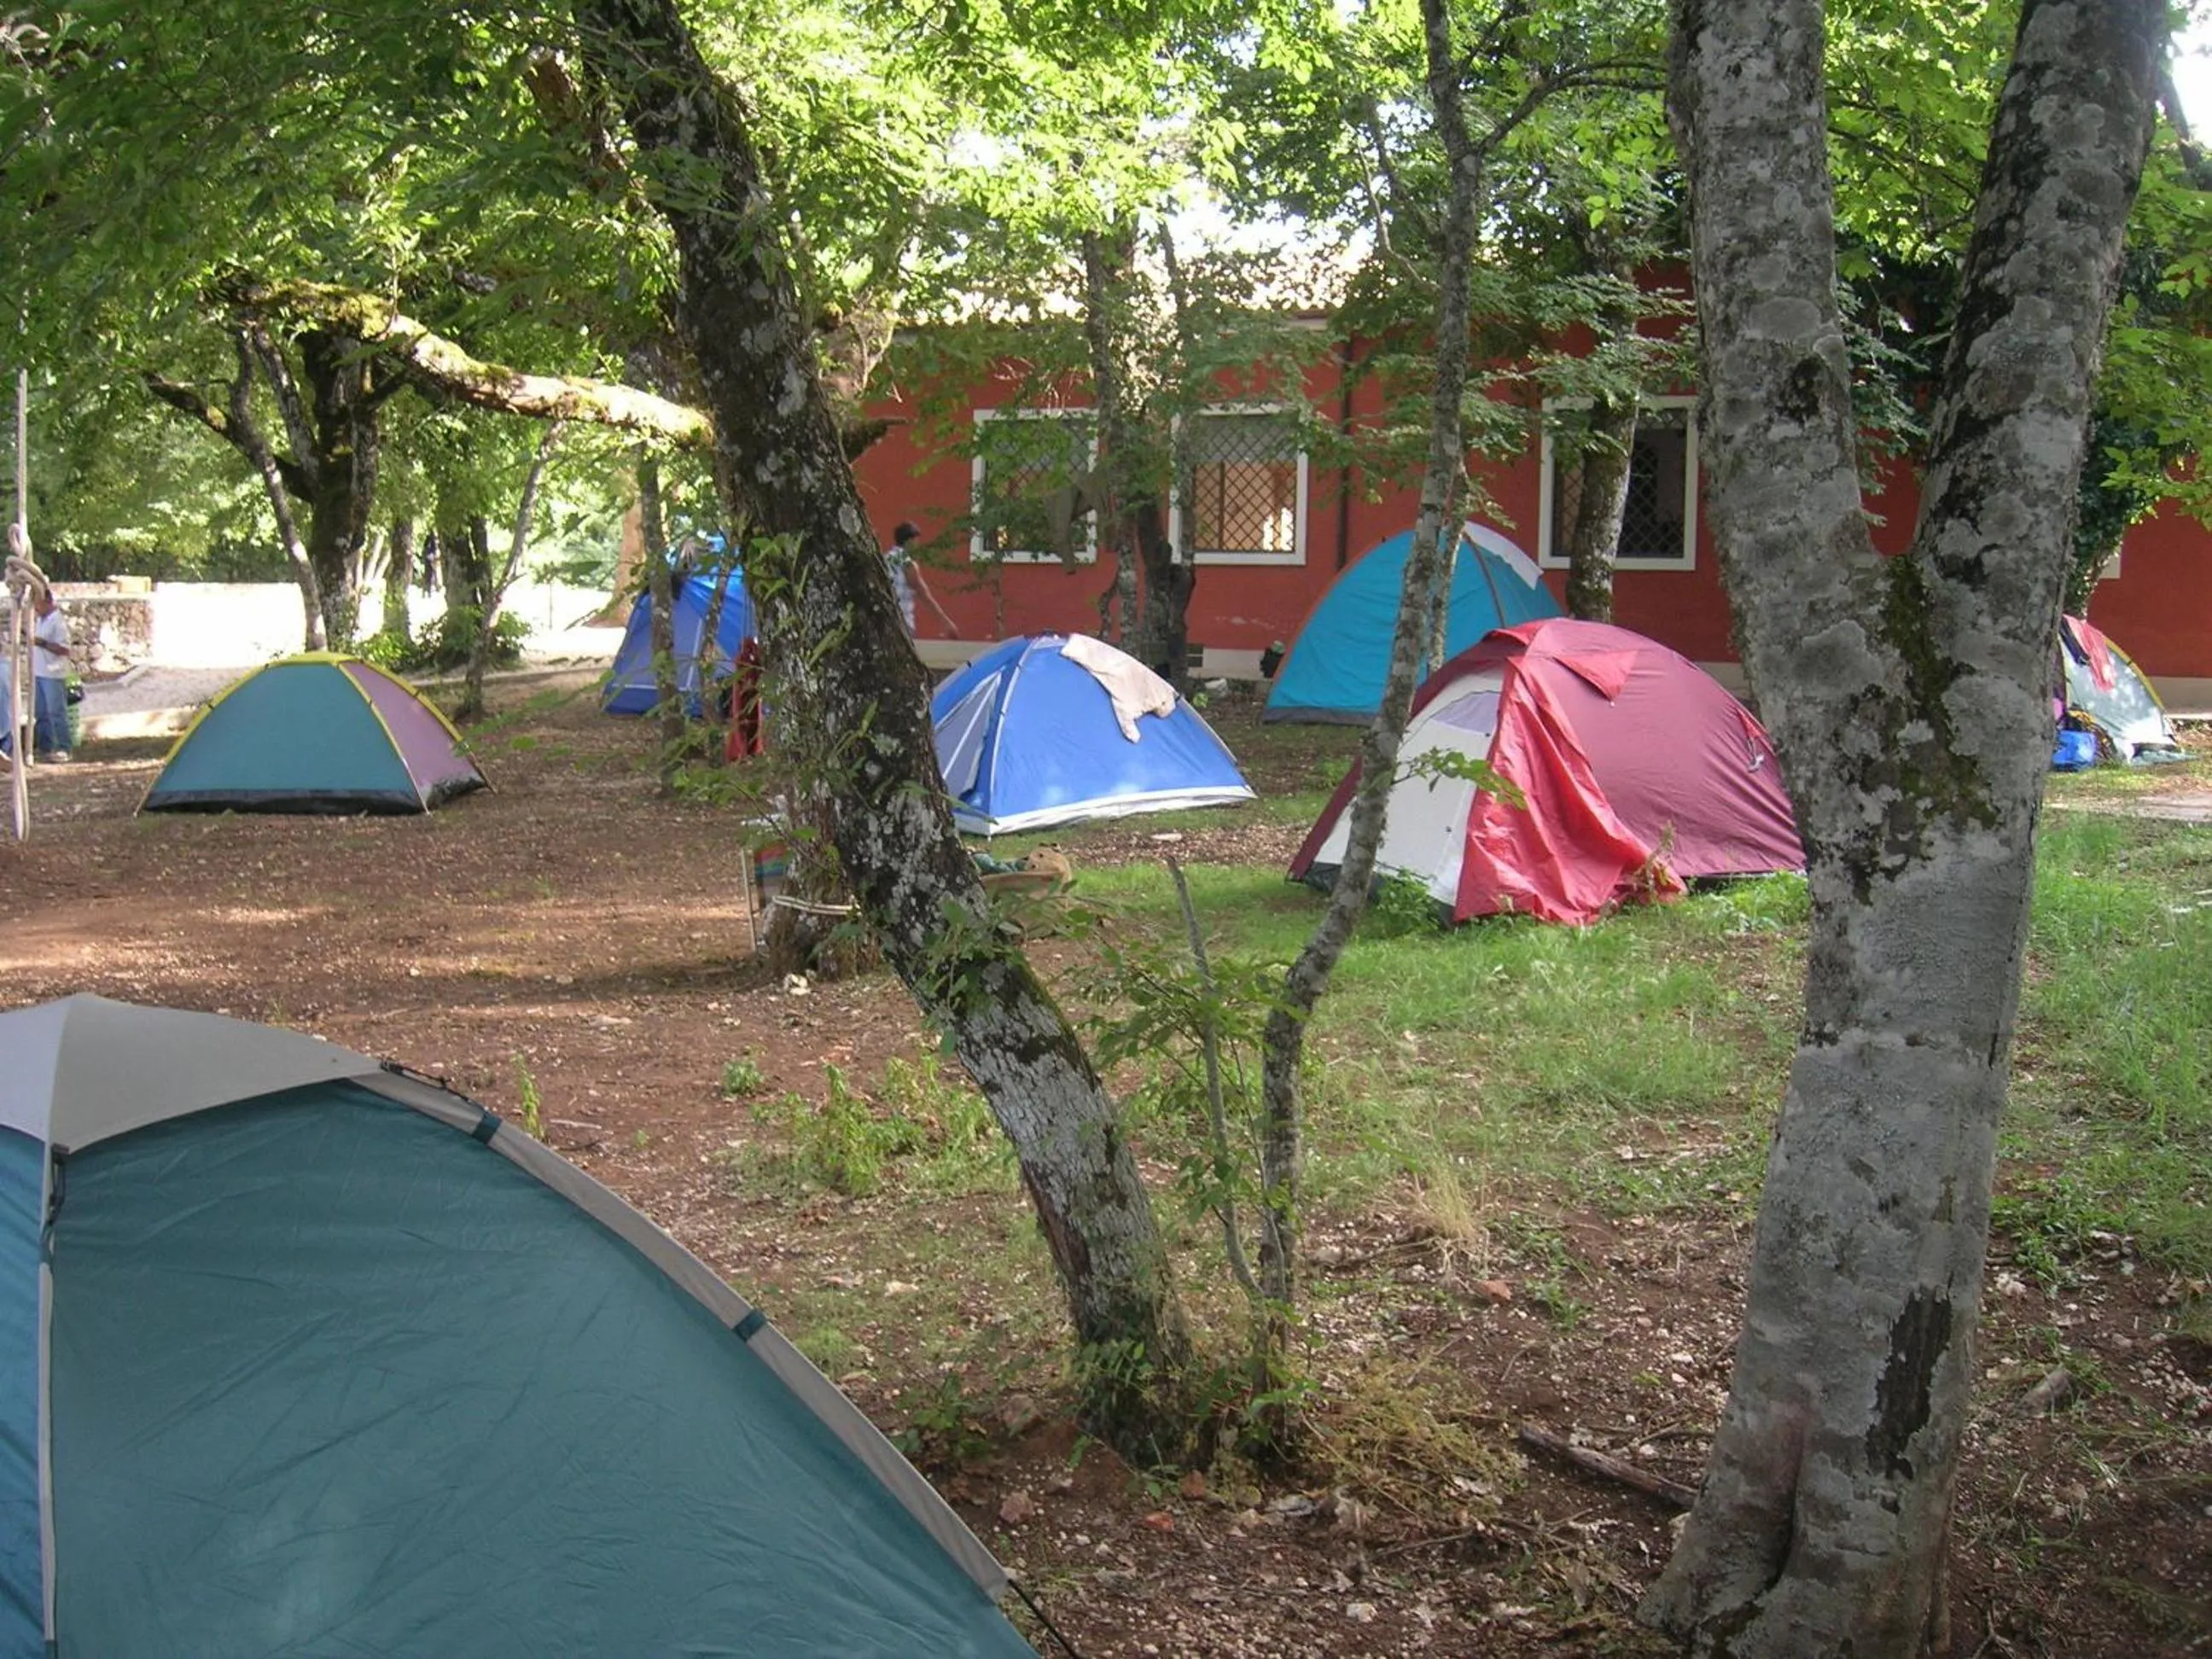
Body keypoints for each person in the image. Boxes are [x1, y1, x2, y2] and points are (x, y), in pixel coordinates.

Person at [883, 521, 958, 639]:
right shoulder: (907, 563)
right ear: (909, 541)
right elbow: (923, 593)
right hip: (903, 621)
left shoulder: (885, 559)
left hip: (885, 619)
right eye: (916, 540)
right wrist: (945, 622)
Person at [31, 589, 71, 761]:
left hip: (53, 672)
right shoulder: (40, 619)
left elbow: (64, 649)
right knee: (41, 713)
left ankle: (64, 747)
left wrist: (43, 643)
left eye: (38, 604)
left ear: (48, 602)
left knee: (56, 711)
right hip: (39, 671)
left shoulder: (58, 622)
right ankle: (45, 747)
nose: (35, 608)